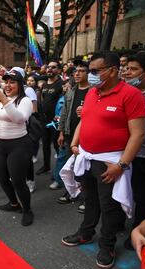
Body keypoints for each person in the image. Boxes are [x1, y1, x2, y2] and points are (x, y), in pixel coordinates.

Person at [61, 52, 145, 269]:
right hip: (87, 157)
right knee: (90, 200)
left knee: (110, 206)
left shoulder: (131, 94)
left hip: (110, 162)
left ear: (112, 70)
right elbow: (85, 120)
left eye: (94, 71)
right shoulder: (92, 92)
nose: (91, 75)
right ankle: (86, 233)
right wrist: (75, 143)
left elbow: (138, 134)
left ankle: (107, 245)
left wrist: (121, 165)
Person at [0, 70, 34, 226]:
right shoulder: (3, 100)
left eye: (12, 82)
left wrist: (5, 100)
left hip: (18, 145)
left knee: (18, 181)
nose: (8, 85)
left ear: (20, 84)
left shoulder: (25, 100)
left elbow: (20, 119)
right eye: (6, 82)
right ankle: (13, 203)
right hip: (1, 144)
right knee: (2, 177)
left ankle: (27, 209)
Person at [124, 51, 145, 248]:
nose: (127, 73)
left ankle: (139, 231)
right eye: (126, 68)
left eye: (133, 69)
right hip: (120, 154)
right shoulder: (122, 92)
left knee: (142, 197)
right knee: (122, 192)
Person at [56, 60, 90, 208]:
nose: (77, 73)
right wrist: (61, 132)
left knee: (85, 167)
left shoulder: (94, 91)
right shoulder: (71, 91)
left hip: (88, 134)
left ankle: (86, 197)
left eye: (81, 71)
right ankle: (72, 191)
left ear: (89, 73)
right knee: (71, 165)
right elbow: (64, 113)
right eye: (75, 71)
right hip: (70, 133)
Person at [37, 60, 63, 175]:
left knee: (57, 146)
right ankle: (46, 166)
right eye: (48, 67)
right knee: (45, 145)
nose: (49, 69)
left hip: (55, 121)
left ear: (58, 70)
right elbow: (42, 100)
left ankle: (60, 170)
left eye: (53, 67)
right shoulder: (45, 84)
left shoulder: (62, 84)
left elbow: (63, 103)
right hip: (44, 120)